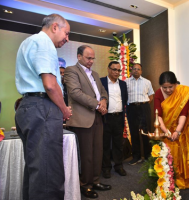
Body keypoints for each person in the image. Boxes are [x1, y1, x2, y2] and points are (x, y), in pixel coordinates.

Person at [15, 14, 72, 200]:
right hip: (42, 107)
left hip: (27, 106)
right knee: (49, 173)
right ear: (55, 27)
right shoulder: (44, 42)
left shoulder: (27, 42)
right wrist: (64, 109)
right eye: (66, 33)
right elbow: (49, 84)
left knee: (36, 170)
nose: (67, 38)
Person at [64, 45, 110, 199]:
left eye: (93, 58)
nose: (91, 61)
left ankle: (95, 180)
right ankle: (85, 184)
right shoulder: (71, 70)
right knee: (86, 154)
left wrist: (103, 101)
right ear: (79, 56)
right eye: (88, 58)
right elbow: (75, 93)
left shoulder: (95, 74)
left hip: (97, 116)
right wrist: (97, 104)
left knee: (98, 151)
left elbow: (102, 91)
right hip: (82, 118)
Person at [154, 71, 189, 189]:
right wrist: (165, 131)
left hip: (181, 128)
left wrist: (178, 131)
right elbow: (157, 114)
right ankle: (167, 179)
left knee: (182, 153)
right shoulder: (158, 93)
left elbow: (184, 114)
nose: (168, 90)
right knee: (167, 154)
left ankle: (183, 178)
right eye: (165, 87)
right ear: (160, 86)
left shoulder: (183, 93)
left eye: (171, 87)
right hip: (165, 127)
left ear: (176, 84)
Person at [100, 61, 128, 178]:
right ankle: (106, 168)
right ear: (108, 69)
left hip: (119, 117)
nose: (116, 72)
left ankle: (118, 166)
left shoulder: (122, 84)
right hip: (106, 118)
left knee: (118, 144)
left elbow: (125, 99)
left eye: (118, 70)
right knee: (105, 144)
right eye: (114, 69)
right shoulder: (101, 82)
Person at [126, 63, 154, 165]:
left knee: (146, 132)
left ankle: (147, 156)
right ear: (131, 70)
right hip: (131, 108)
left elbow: (151, 95)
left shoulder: (147, 82)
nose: (136, 71)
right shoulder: (126, 82)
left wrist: (144, 105)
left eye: (138, 69)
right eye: (134, 69)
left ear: (141, 71)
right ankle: (136, 156)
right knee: (134, 132)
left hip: (144, 107)